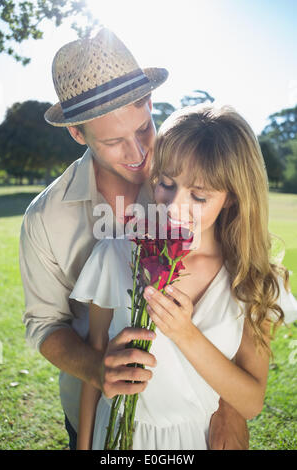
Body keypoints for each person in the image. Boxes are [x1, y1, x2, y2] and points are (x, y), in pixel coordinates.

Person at [19, 27, 249, 450]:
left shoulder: (187, 174)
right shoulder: (44, 220)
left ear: (149, 103)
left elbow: (238, 285)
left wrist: (231, 409)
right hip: (102, 418)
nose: (140, 152)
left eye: (144, 127)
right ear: (77, 133)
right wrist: (97, 368)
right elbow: (44, 324)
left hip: (196, 422)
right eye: (113, 141)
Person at [69, 104, 297, 450]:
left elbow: (251, 402)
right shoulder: (115, 254)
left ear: (232, 199)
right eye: (166, 184)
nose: (174, 206)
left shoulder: (253, 279)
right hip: (116, 437)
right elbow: (96, 364)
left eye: (199, 196)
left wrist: (184, 333)